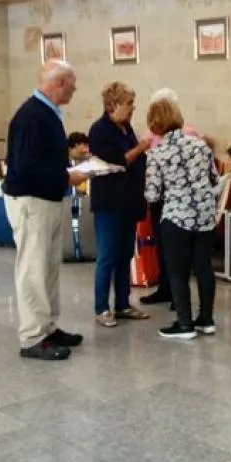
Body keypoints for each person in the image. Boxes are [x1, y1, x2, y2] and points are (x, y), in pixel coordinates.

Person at [2, 60, 88, 361]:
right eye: (72, 83)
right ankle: (32, 336)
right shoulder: (32, 116)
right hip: (31, 202)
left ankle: (47, 326)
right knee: (33, 269)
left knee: (49, 267)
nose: (75, 89)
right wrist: (67, 177)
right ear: (59, 83)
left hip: (47, 200)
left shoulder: (48, 114)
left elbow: (43, 160)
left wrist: (64, 174)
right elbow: (25, 168)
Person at [144, 99, 220, 340]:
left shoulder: (158, 152)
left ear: (154, 123)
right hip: (205, 215)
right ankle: (206, 320)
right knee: (204, 267)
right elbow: (215, 179)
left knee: (177, 271)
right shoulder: (201, 146)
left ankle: (184, 323)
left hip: (177, 217)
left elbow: (153, 194)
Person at [87, 81, 151, 328]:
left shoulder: (126, 128)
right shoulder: (100, 130)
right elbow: (120, 160)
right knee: (108, 255)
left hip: (129, 201)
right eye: (129, 104)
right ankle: (101, 307)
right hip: (109, 203)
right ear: (113, 105)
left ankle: (122, 304)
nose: (133, 108)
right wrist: (143, 146)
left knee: (125, 254)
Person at [140, 87, 198, 309]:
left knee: (176, 249)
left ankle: (178, 295)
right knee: (162, 246)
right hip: (170, 199)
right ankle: (166, 289)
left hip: (171, 198)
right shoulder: (150, 136)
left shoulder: (188, 133)